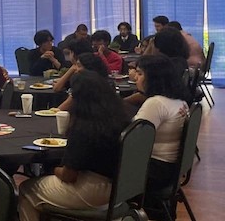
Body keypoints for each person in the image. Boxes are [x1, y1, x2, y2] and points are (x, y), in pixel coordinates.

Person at [18, 71, 131, 221]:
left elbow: (68, 176)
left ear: (77, 97)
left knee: (26, 188)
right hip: (121, 188)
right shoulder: (121, 117)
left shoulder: (85, 125)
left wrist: (53, 170)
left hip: (93, 191)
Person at [133, 55, 190, 221]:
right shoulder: (180, 101)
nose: (135, 77)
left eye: (140, 73)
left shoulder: (156, 103)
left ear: (154, 78)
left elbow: (134, 142)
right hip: (171, 169)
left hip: (155, 171)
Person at [125, 27, 190, 107]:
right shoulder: (179, 61)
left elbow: (143, 62)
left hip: (160, 102)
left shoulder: (164, 65)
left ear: (160, 46)